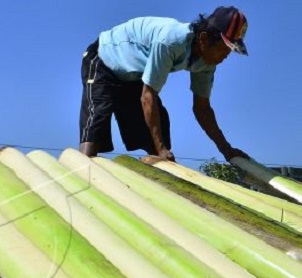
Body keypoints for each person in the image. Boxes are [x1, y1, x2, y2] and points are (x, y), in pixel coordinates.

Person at [79, 6, 250, 162]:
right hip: (104, 58)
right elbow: (148, 96)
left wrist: (227, 150)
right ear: (204, 39)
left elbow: (202, 108)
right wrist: (161, 150)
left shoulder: (207, 64)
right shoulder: (171, 41)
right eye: (223, 48)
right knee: (97, 120)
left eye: (229, 51)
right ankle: (82, 166)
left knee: (158, 130)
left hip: (134, 76)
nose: (225, 56)